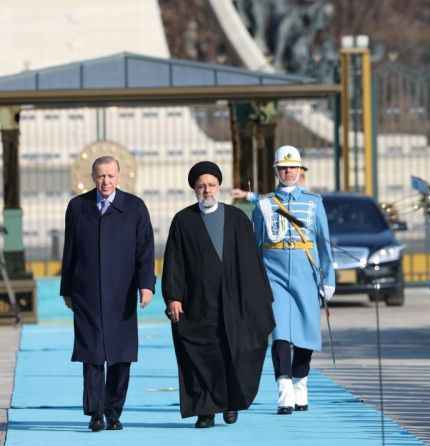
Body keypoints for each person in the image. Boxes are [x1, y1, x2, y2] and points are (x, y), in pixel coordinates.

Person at [161, 161, 276, 428]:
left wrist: (259, 301)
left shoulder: (237, 220)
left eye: (211, 185)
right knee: (202, 356)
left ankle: (231, 402)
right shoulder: (183, 221)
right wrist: (174, 297)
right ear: (194, 189)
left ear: (219, 187)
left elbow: (252, 264)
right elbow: (174, 262)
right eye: (201, 186)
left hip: (235, 302)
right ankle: (206, 410)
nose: (207, 190)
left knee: (234, 352)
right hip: (198, 303)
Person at [60, 156, 155, 432]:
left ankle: (114, 411)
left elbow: (145, 250)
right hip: (86, 293)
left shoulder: (135, 207)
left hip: (121, 294)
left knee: (120, 354)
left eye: (111, 176)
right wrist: (67, 288)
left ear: (119, 176)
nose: (106, 181)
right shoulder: (78, 207)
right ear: (93, 177)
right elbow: (70, 251)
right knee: (91, 354)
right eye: (101, 176)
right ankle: (95, 412)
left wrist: (146, 285)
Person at [250, 145, 335, 415]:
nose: (289, 172)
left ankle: (301, 381)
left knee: (306, 333)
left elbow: (324, 243)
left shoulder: (313, 202)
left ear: (300, 170)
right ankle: (284, 388)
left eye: (293, 167)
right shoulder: (264, 204)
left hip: (305, 274)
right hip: (272, 274)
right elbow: (255, 244)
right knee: (280, 333)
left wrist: (328, 277)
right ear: (277, 170)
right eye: (284, 168)